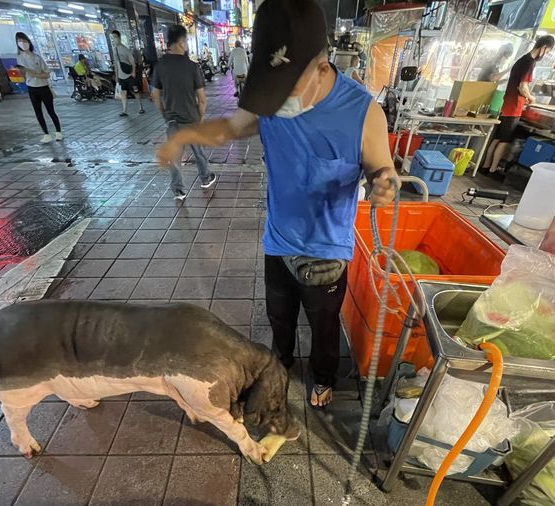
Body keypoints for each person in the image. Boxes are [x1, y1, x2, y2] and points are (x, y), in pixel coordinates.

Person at [157, 0, 397, 408]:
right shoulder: (269, 100)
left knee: (322, 323)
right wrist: (182, 137)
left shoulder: (362, 111)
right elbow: (226, 131)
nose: (278, 96)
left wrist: (383, 184)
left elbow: (382, 169)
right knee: (279, 314)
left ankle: (323, 377)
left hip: (326, 248)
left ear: (322, 65)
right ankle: (279, 364)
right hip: (278, 238)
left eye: (289, 81)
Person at [153, 25, 216, 201]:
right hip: (192, 119)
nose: (186, 44)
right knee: (199, 152)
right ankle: (205, 179)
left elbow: (156, 96)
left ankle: (179, 190)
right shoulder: (192, 67)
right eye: (186, 41)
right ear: (181, 43)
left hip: (172, 120)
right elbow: (202, 99)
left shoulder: (160, 66)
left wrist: (165, 114)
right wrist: (200, 118)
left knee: (175, 156)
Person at [482, 35, 555, 176]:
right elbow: (523, 87)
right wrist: (531, 97)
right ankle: (492, 170)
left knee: (497, 138)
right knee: (504, 141)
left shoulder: (521, 60)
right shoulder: (529, 63)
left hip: (506, 105)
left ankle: (485, 165)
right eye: (547, 52)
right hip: (514, 108)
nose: (546, 55)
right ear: (544, 47)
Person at [15, 32, 63, 143]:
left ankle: (58, 132)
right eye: (19, 41)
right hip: (32, 88)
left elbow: (46, 74)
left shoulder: (37, 57)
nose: (22, 43)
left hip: (43, 87)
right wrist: (24, 73)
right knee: (38, 112)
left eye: (24, 41)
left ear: (29, 42)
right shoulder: (19, 58)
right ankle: (46, 134)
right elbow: (23, 75)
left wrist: (35, 74)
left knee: (51, 111)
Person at [111, 30, 145, 117]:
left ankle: (140, 107)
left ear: (119, 38)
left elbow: (132, 62)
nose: (113, 40)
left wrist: (133, 72)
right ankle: (124, 110)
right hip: (121, 76)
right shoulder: (114, 50)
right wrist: (116, 75)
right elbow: (116, 64)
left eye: (114, 37)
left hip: (129, 75)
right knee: (123, 93)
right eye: (112, 38)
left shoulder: (125, 49)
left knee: (135, 91)